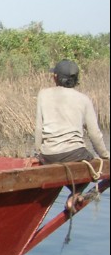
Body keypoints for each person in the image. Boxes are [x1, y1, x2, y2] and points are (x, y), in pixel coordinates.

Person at [35, 59, 109, 210]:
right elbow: (95, 134)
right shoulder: (83, 99)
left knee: (75, 166)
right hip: (75, 154)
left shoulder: (43, 94)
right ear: (76, 80)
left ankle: (74, 193)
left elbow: (38, 128)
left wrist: (39, 153)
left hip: (48, 155)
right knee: (91, 164)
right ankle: (76, 194)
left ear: (55, 77)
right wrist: (105, 156)